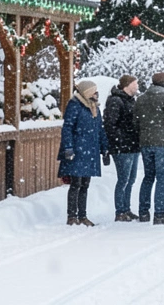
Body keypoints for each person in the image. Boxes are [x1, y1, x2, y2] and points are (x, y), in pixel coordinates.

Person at [134, 71, 164, 224]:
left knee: (148, 177)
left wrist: (141, 135)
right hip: (163, 143)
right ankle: (159, 213)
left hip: (146, 142)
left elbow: (136, 120)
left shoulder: (141, 99)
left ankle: (143, 212)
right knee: (162, 179)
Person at [59, 80, 108, 226]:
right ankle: (72, 216)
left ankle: (83, 215)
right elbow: (67, 128)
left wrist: (104, 148)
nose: (96, 93)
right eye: (94, 91)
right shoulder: (75, 106)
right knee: (76, 183)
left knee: (85, 184)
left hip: (90, 151)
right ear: (86, 92)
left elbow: (100, 129)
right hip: (77, 150)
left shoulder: (94, 108)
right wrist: (68, 147)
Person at [103, 75, 141, 221]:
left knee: (131, 179)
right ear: (127, 85)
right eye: (135, 83)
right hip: (122, 147)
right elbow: (110, 124)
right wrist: (121, 139)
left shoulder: (131, 100)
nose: (137, 85)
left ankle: (126, 208)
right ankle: (120, 211)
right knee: (123, 179)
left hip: (133, 145)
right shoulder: (115, 101)